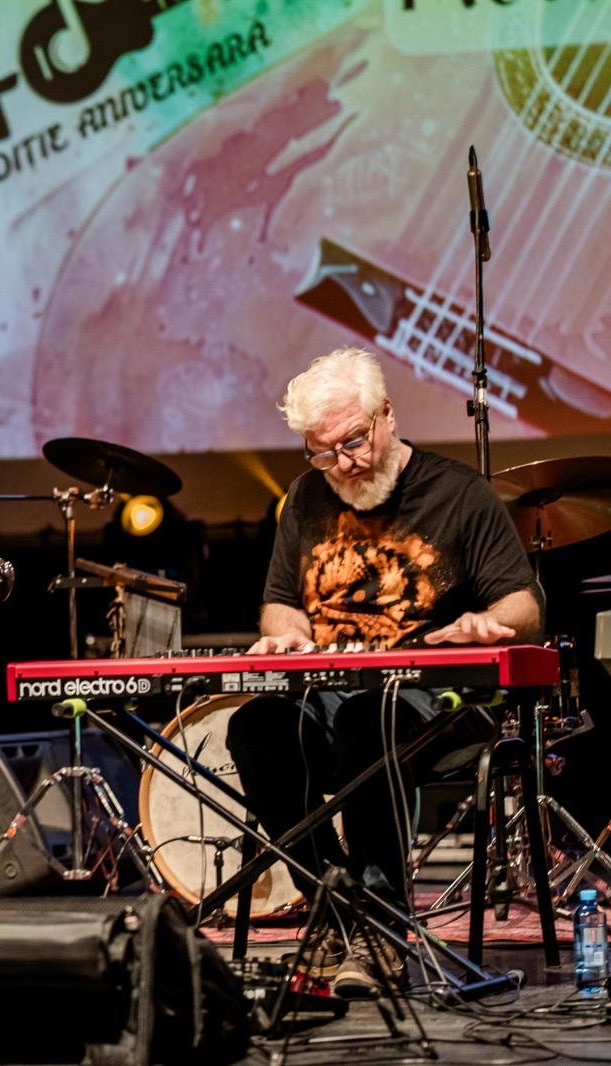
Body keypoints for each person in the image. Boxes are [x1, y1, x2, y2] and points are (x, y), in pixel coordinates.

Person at [226, 346, 541, 996]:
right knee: (256, 728)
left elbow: (524, 605)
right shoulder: (306, 498)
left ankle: (383, 926)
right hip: (333, 694)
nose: (343, 464)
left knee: (368, 720)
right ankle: (337, 908)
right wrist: (287, 634)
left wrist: (490, 623)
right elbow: (280, 604)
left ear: (387, 415)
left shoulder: (459, 493)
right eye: (322, 453)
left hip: (442, 700)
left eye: (353, 442)